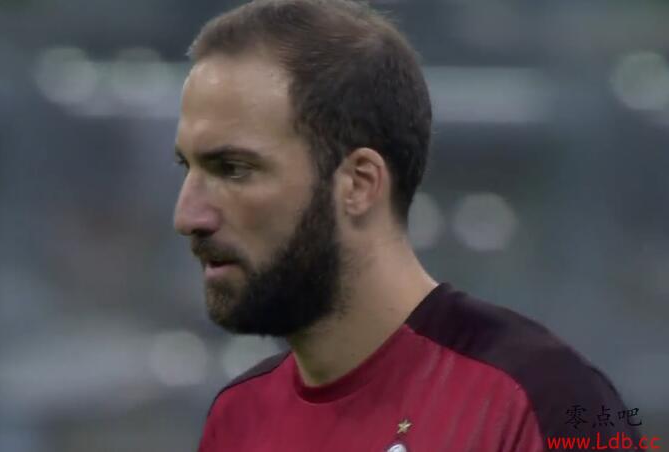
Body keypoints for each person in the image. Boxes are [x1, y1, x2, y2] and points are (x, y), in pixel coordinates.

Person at [172, 1, 641, 450]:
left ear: (359, 184)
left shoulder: (546, 399)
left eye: (233, 169)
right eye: (186, 167)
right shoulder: (237, 417)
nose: (187, 216)